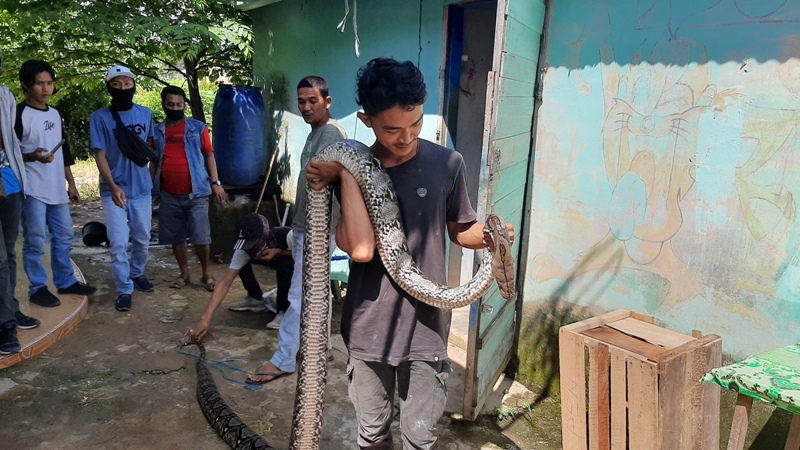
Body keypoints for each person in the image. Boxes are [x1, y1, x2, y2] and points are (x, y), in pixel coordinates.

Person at [306, 57, 514, 449]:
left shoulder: (448, 163)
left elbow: (460, 230)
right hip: (369, 324)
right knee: (372, 432)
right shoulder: (346, 170)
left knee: (420, 434)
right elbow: (361, 249)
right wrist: (350, 173)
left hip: (427, 326)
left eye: (416, 123)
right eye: (391, 129)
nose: (406, 137)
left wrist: (488, 235)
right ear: (367, 121)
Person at [233, 75, 346, 383]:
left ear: (328, 102)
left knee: (298, 296)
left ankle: (284, 359)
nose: (306, 107)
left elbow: (335, 179)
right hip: (306, 228)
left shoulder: (332, 133)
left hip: (317, 230)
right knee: (318, 293)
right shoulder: (317, 133)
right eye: (301, 101)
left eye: (313, 101)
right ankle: (322, 347)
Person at [16, 60, 97, 308]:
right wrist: (31, 156)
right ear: (26, 86)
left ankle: (65, 281)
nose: (45, 88)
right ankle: (38, 288)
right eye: (39, 83)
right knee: (36, 239)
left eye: (49, 83)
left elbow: (65, 152)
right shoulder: (17, 115)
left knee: (63, 236)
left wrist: (71, 184)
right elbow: (7, 153)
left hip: (55, 189)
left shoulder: (55, 113)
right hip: (31, 189)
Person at [90, 65, 155, 312]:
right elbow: (100, 155)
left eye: (127, 84)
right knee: (118, 242)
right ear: (109, 87)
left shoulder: (145, 113)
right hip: (113, 190)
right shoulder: (99, 117)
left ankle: (137, 273)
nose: (122, 89)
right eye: (116, 85)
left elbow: (148, 148)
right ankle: (124, 288)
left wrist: (150, 179)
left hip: (141, 189)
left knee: (143, 238)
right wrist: (113, 186)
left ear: (134, 85)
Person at [153, 85, 225, 292]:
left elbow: (209, 154)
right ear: (163, 105)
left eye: (179, 104)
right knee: (175, 237)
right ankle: (184, 274)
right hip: (168, 194)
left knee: (201, 237)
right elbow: (154, 161)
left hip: (197, 193)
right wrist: (151, 187)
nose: (175, 107)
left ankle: (205, 274)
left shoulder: (198, 128)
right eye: (170, 104)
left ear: (184, 105)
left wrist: (216, 182)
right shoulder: (157, 131)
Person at [186, 213, 293, 341]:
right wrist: (205, 319)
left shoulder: (289, 236)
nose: (249, 249)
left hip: (293, 263)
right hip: (269, 257)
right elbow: (225, 283)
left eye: (252, 244)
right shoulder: (243, 249)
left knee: (286, 264)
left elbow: (308, 254)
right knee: (238, 258)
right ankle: (255, 297)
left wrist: (281, 252)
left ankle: (283, 310)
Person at [0, 56, 40, 355]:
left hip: (10, 182)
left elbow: (10, 142)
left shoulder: (4, 94)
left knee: (9, 253)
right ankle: (4, 326)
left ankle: (9, 309)